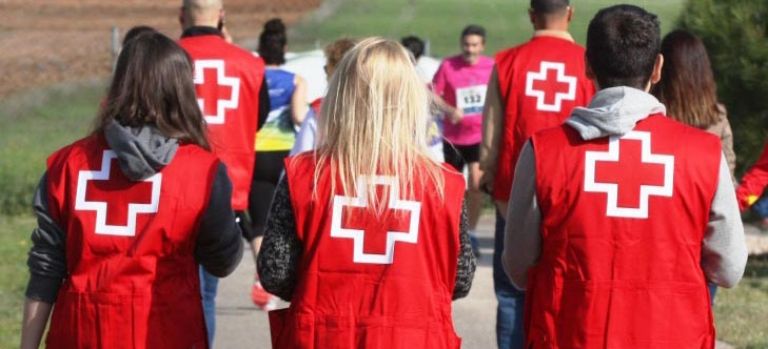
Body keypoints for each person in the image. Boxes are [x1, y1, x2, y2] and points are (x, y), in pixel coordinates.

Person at [503, 5, 748, 348]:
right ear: (658, 68)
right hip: (674, 336)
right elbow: (729, 268)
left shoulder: (543, 151)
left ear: (587, 64)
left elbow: (517, 266)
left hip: (569, 334)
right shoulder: (705, 154)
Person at [20, 29, 243, 349]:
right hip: (166, 331)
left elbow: (45, 268)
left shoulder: (68, 164)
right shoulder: (202, 171)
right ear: (181, 90)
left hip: (81, 334)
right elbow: (223, 259)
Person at [258, 38, 476, 348]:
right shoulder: (444, 184)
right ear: (411, 99)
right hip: (414, 337)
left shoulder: (305, 175)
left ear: (341, 96)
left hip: (323, 335)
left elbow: (275, 272)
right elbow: (460, 278)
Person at [478, 1, 594, 347]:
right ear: (570, 14)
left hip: (514, 193)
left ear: (531, 15)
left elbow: (491, 132)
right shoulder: (588, 62)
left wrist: (486, 173)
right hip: (574, 192)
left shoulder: (506, 61)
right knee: (568, 288)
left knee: (512, 292)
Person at [178, 0, 267, 342]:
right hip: (228, 186)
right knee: (206, 294)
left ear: (181, 15)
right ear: (221, 16)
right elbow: (257, 119)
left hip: (174, 183)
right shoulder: (250, 64)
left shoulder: (167, 58)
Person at [651, 29, 737, 302]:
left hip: (656, 233)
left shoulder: (650, 115)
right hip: (698, 241)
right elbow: (728, 175)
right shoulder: (718, 119)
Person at [249, 18, 309, 310]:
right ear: (284, 49)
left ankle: (262, 278)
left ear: (260, 49)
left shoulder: (251, 75)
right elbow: (299, 117)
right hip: (284, 153)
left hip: (255, 153)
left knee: (259, 222)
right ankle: (279, 279)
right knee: (283, 219)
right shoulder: (295, 80)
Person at [432, 25, 494, 258]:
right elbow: (432, 95)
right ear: (461, 44)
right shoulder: (448, 66)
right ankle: (449, 231)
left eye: (475, 45)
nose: (470, 50)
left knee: (477, 185)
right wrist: (449, 110)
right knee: (452, 187)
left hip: (479, 135)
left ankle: (471, 231)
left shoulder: (491, 67)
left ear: (482, 46)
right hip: (454, 138)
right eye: (466, 45)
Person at [290, 37, 357, 155]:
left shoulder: (320, 110)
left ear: (335, 72)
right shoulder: (380, 108)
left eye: (326, 69)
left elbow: (300, 155)